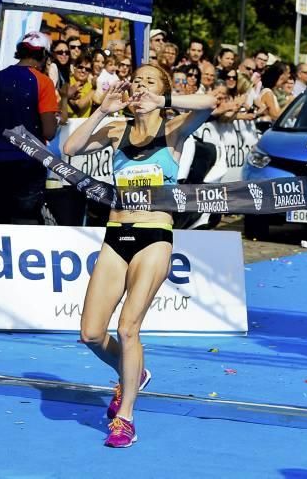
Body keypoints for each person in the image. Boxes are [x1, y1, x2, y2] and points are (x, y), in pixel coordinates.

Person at [63, 67, 215, 448]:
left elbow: (210, 102)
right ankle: (133, 373)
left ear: (163, 89)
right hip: (116, 234)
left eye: (151, 80)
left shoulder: (174, 129)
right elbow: (70, 149)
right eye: (138, 79)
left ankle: (126, 417)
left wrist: (160, 102)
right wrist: (103, 110)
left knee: (128, 328)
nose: (142, 84)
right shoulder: (117, 130)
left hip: (154, 237)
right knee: (91, 333)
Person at [0, 31, 60, 224]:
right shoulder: (44, 82)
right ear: (44, 56)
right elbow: (49, 131)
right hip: (29, 164)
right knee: (25, 222)